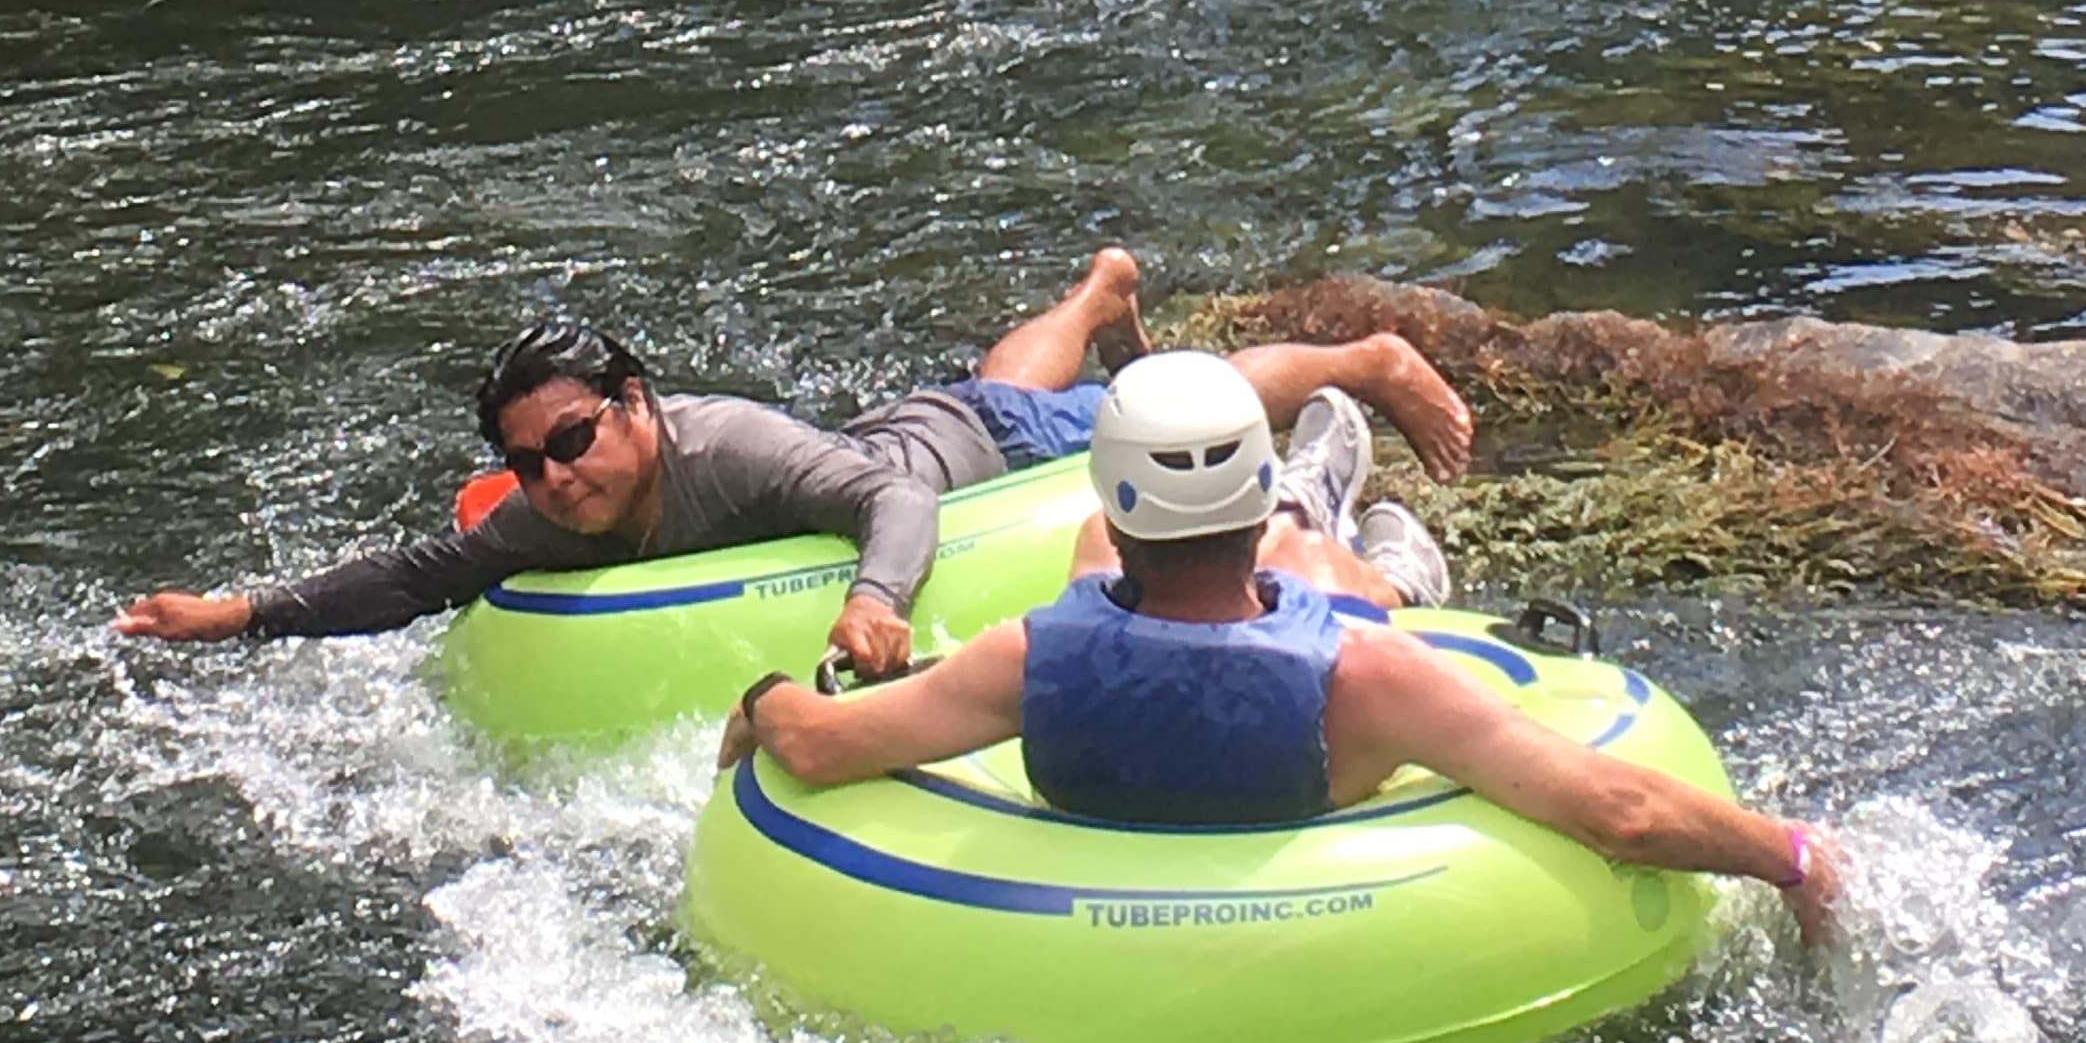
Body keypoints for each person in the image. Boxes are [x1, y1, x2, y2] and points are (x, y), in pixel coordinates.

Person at [723, 351, 1842, 940]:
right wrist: (1791, 857)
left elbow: (820, 744)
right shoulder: (1373, 676)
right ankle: (1373, 557)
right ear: (1243, 497)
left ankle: (1330, 519)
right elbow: (1621, 814)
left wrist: (761, 702)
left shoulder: (1022, 659)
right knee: (1312, 576)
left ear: (1113, 498)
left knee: (1101, 573)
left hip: (1092, 810)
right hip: (1320, 707)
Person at [112, 252, 1475, 680]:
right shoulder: (553, 514)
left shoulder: (726, 448)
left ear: (634, 407)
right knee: (1006, 371)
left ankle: (1362, 360)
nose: (556, 477)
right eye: (527, 463)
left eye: (574, 439)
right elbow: (419, 575)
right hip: (928, 414)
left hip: (974, 461)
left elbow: (893, 497)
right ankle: (1099, 285)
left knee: (1161, 407)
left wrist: (877, 600)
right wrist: (236, 614)